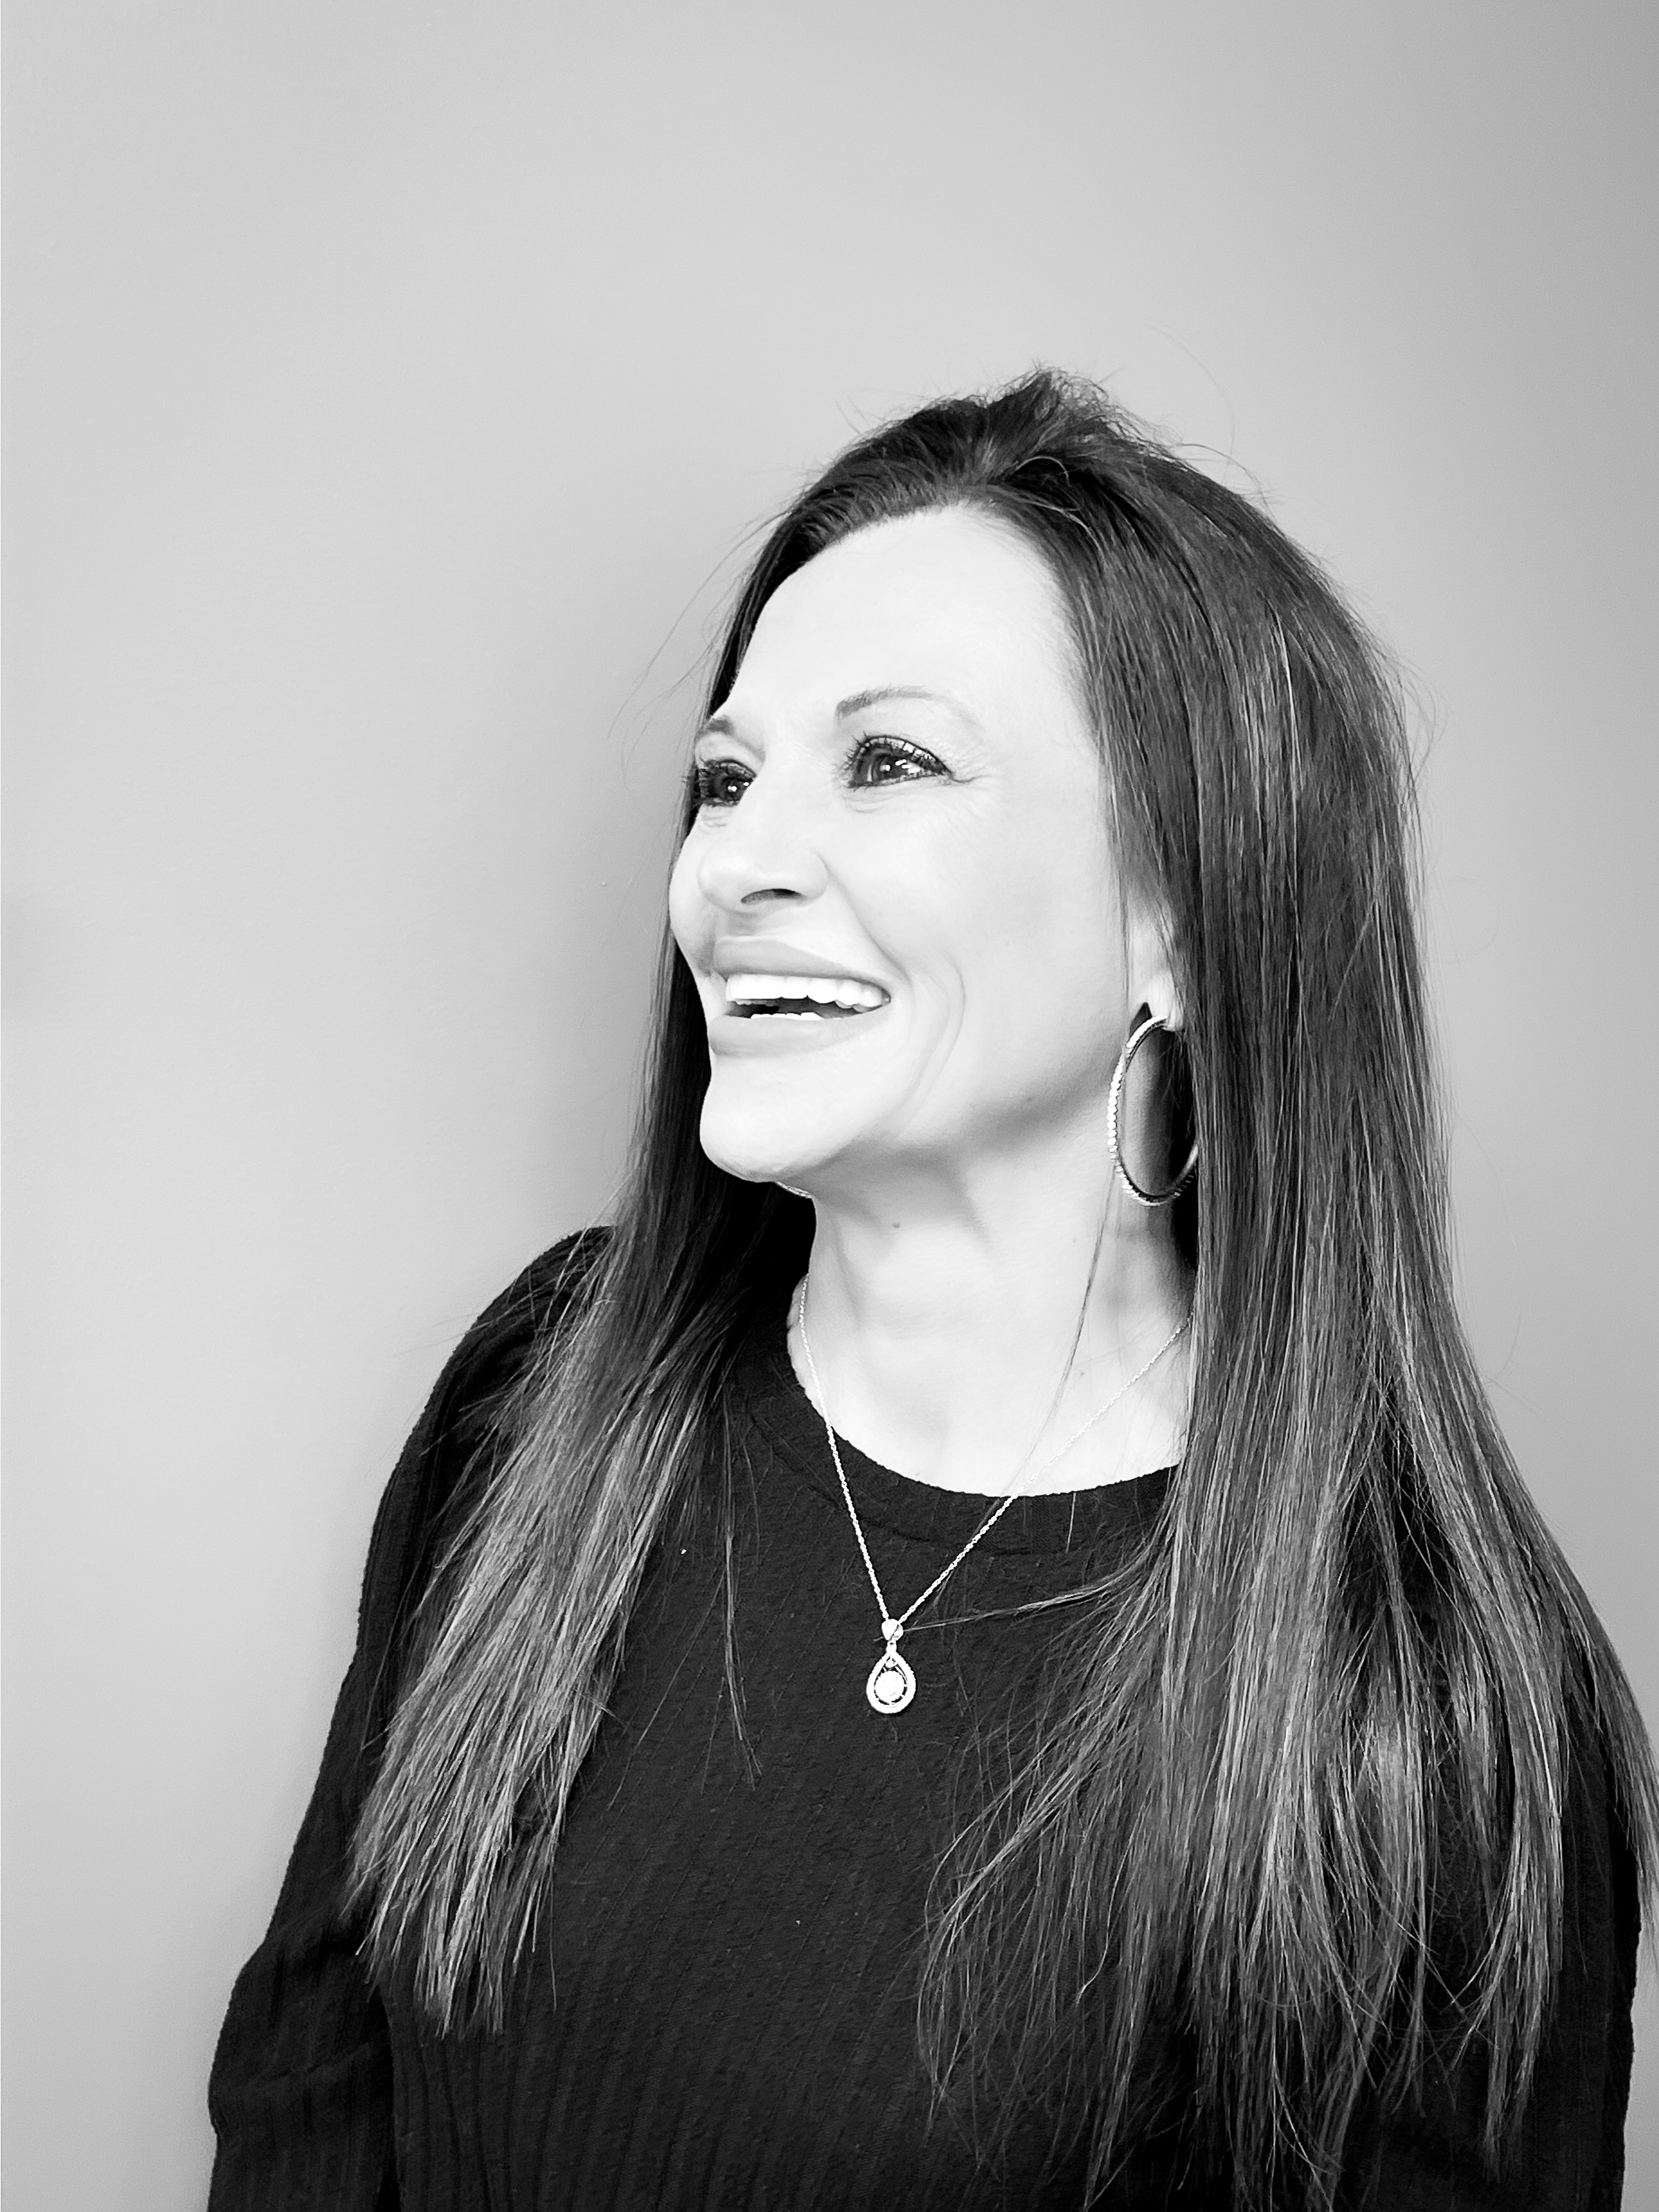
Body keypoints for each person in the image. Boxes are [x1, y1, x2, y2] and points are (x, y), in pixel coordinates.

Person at [207, 371, 1653, 2211]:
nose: (733, 867)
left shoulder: (1418, 1709)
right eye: (724, 780)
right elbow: (307, 2092)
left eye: (890, 764)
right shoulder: (542, 1397)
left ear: (1187, 915)